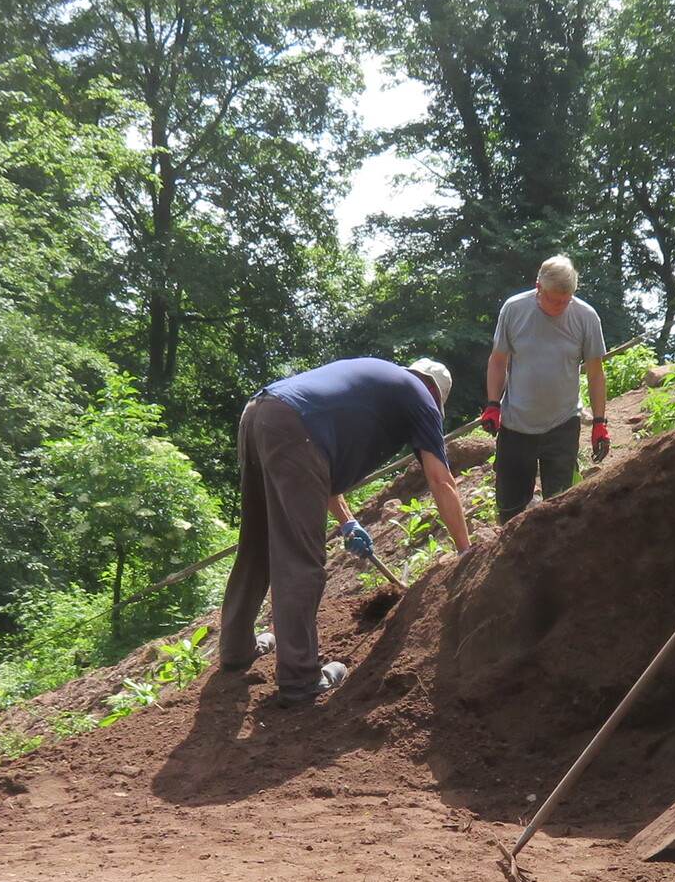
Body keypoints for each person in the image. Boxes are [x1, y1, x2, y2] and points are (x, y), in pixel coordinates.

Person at [220, 355, 472, 706]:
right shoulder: (419, 397)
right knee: (300, 559)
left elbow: (316, 456)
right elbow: (441, 481)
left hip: (260, 413)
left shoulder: (375, 382)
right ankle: (300, 677)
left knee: (256, 543)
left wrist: (347, 520)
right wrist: (465, 551)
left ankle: (236, 649)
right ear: (434, 393)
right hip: (292, 430)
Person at [483, 254, 607, 520]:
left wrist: (600, 422)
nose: (561, 306)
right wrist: (493, 404)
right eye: (554, 300)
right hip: (516, 424)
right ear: (539, 287)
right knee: (510, 510)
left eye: (566, 300)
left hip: (562, 424)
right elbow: (498, 360)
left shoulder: (586, 317)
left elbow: (596, 373)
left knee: (563, 507)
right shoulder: (514, 309)